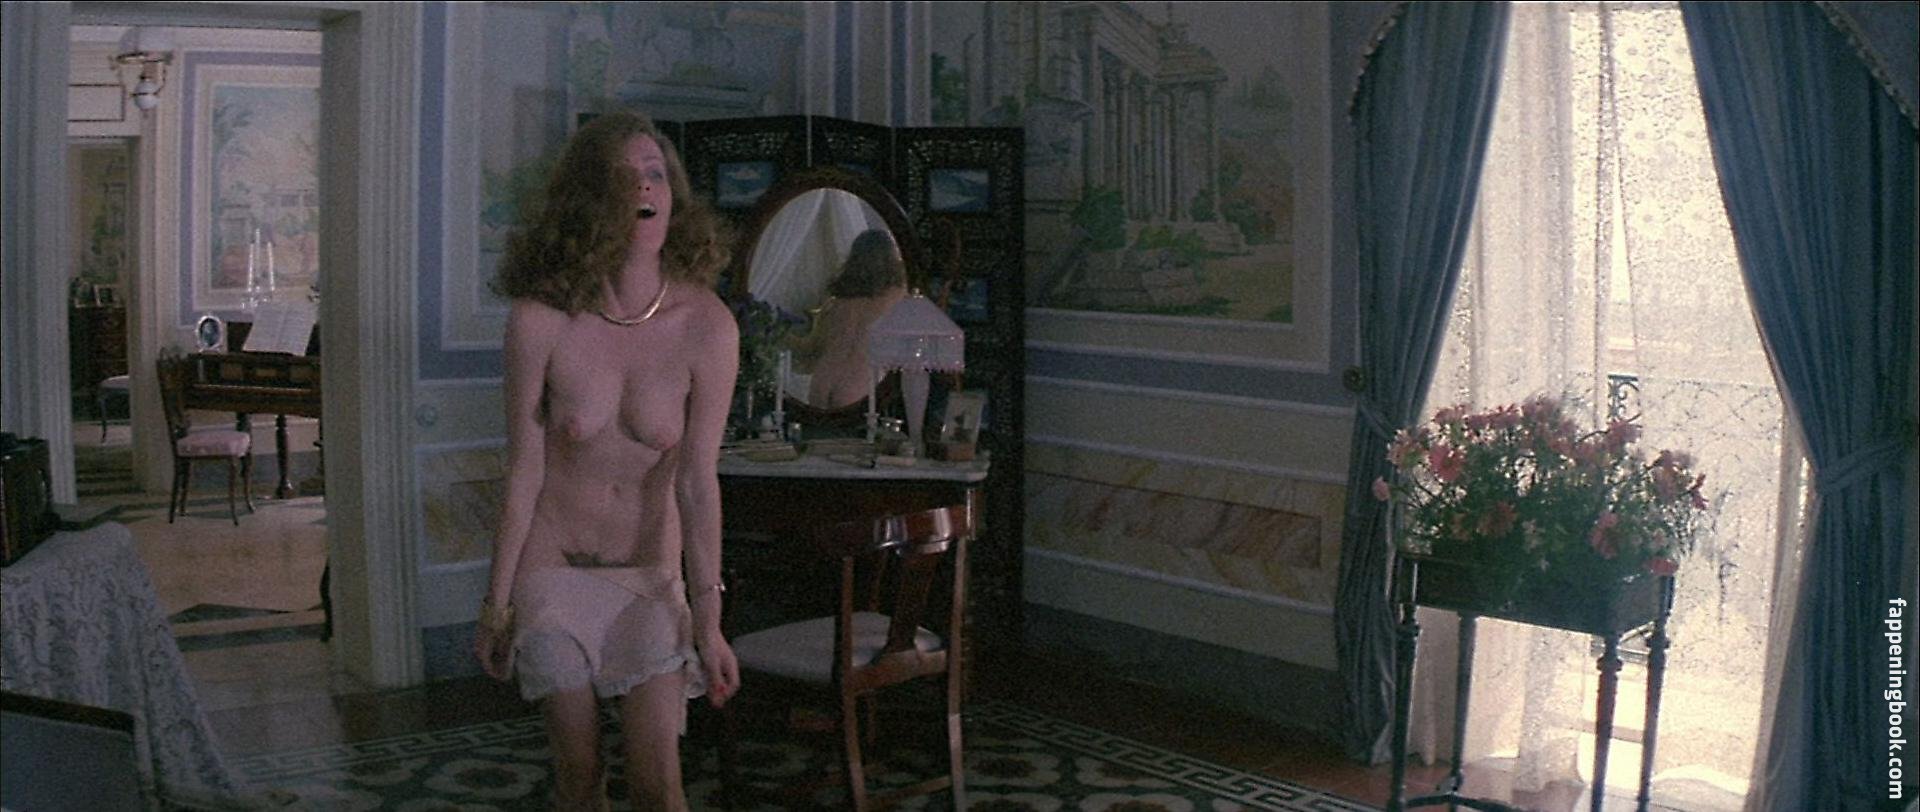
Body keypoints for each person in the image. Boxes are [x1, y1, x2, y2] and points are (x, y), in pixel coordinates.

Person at [475, 111, 741, 812]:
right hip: (551, 570)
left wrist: (709, 619)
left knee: (658, 785)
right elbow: (523, 471)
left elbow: (697, 483)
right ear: (588, 201)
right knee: (580, 772)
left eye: (655, 174)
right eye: (623, 178)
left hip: (648, 578)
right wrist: (496, 605)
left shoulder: (708, 326)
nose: (643, 189)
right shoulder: (540, 320)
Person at [791, 228, 908, 410]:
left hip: (823, 378)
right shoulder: (898, 295)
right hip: (860, 379)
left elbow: (817, 344)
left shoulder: (840, 297)